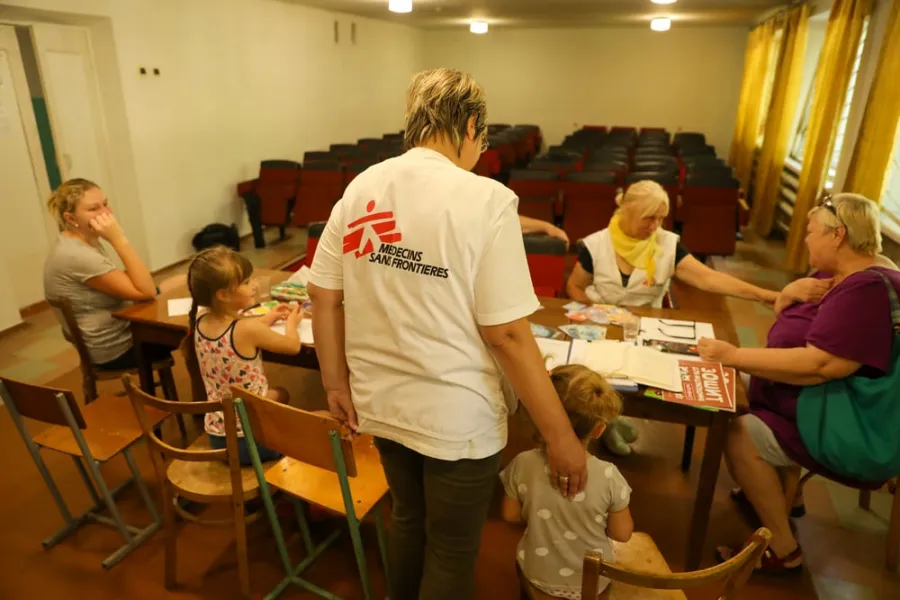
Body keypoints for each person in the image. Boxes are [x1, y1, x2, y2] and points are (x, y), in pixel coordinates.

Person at [307, 68, 586, 600]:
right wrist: (561, 437)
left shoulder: (362, 185)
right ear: (471, 126)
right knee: (452, 552)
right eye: (481, 140)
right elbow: (506, 334)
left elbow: (324, 296)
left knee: (408, 521)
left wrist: (336, 386)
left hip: (380, 402)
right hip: (457, 417)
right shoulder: (486, 199)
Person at [698, 193, 900, 575]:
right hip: (815, 401)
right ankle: (779, 494)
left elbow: (821, 364)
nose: (805, 239)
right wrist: (789, 292)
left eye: (810, 231)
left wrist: (733, 355)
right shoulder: (847, 271)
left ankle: (782, 547)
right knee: (726, 386)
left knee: (736, 427)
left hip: (848, 424)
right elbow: (789, 316)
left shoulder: (867, 290)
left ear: (838, 235)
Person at [501, 364, 633, 599]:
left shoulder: (522, 463)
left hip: (536, 575)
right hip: (592, 584)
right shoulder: (609, 475)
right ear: (599, 429)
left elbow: (510, 514)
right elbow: (622, 534)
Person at [566, 180, 780, 308]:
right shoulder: (596, 244)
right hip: (602, 324)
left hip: (645, 325)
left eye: (661, 218)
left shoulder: (668, 244)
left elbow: (708, 279)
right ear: (627, 211)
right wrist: (591, 312)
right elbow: (575, 286)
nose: (655, 227)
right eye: (649, 218)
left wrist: (765, 295)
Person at [182, 246, 302, 465]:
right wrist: (292, 322)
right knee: (288, 402)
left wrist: (269, 318)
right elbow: (293, 346)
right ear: (223, 295)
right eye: (246, 282)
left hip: (218, 436)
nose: (254, 285)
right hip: (253, 443)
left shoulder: (201, 317)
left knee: (279, 395)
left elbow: (239, 334)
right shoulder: (246, 330)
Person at [43, 178, 179, 370]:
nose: (106, 213)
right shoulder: (77, 255)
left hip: (121, 323)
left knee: (181, 281)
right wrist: (119, 239)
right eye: (93, 209)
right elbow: (147, 291)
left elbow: (136, 284)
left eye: (105, 204)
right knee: (194, 331)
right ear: (71, 219)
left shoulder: (80, 241)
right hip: (118, 348)